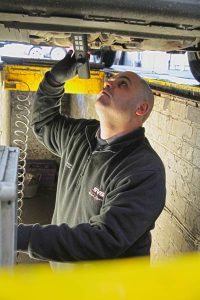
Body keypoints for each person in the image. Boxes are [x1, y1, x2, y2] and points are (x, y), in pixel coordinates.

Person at [17, 51, 166, 268]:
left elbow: (103, 240)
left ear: (141, 108)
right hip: (65, 277)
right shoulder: (80, 134)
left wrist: (19, 236)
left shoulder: (143, 169)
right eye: (110, 80)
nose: (109, 84)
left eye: (122, 84)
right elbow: (44, 123)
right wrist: (54, 80)